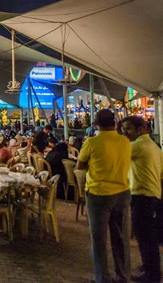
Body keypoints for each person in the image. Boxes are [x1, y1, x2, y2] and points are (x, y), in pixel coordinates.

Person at [78, 109, 131, 283]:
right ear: (115, 122)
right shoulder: (125, 141)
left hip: (98, 194)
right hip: (122, 193)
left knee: (98, 239)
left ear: (95, 123)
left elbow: (80, 164)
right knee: (120, 238)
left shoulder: (92, 142)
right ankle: (122, 276)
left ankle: (102, 278)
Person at [121, 116, 162, 282]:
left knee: (145, 236)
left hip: (142, 194)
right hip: (153, 194)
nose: (125, 132)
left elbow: (118, 155)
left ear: (141, 129)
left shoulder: (137, 146)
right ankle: (150, 268)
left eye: (128, 129)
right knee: (148, 236)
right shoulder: (153, 146)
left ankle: (151, 274)